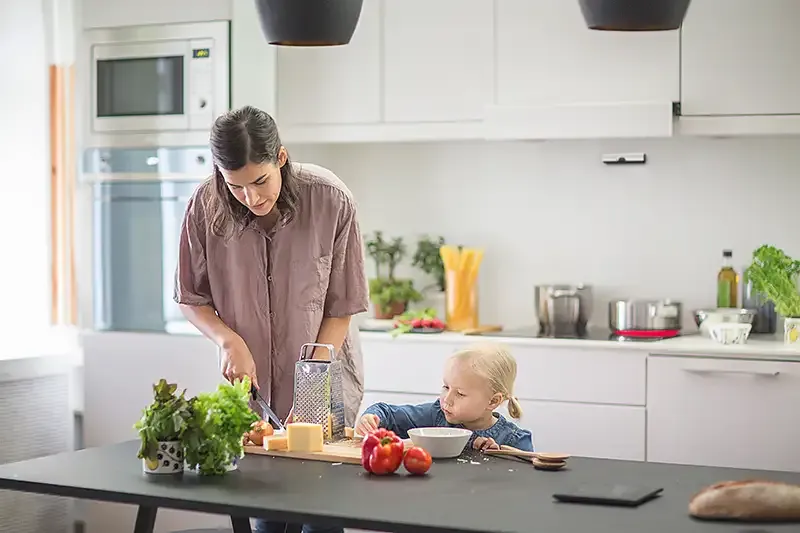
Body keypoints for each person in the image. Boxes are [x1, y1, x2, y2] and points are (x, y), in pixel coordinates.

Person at [175, 105, 368, 533]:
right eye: (236, 186)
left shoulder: (331, 198)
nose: (252, 197)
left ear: (281, 157)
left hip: (326, 379)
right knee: (267, 518)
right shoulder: (204, 206)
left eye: (260, 181)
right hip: (254, 392)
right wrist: (229, 341)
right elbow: (191, 298)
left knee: (322, 515)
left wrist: (311, 389)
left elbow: (342, 307)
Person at [356, 343, 533, 452]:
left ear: (493, 401)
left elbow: (527, 481)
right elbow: (388, 412)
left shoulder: (515, 440)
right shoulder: (436, 415)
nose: (447, 399)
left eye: (460, 393)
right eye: (446, 387)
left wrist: (501, 459)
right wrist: (370, 418)